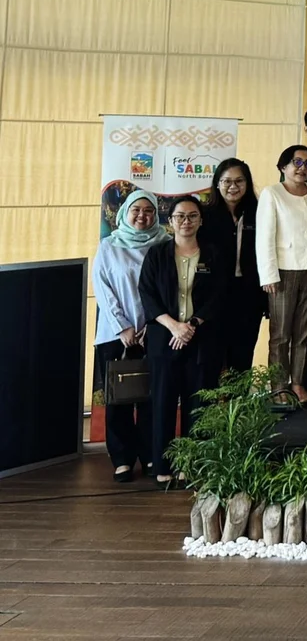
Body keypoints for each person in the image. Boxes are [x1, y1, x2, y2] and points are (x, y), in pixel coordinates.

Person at [139, 196, 227, 487]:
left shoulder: (213, 254)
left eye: (192, 216)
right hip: (164, 337)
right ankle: (161, 465)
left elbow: (219, 296)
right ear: (171, 221)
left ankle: (190, 464)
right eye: (180, 216)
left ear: (201, 221)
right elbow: (147, 295)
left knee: (197, 404)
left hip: (201, 339)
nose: (186, 221)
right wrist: (174, 326)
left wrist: (191, 325)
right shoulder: (157, 254)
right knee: (162, 402)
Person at [93, 189, 169, 482]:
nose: (142, 216)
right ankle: (122, 458)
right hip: (115, 334)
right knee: (119, 399)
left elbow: (167, 291)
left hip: (155, 332)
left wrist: (153, 324)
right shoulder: (109, 246)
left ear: (156, 215)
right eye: (136, 210)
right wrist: (122, 326)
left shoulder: (164, 244)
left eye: (148, 211)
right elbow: (103, 290)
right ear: (124, 212)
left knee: (152, 398)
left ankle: (151, 455)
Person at [257, 145, 307, 404]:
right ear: (283, 166)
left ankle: (298, 383)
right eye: (297, 162)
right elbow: (264, 237)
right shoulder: (271, 193)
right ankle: (278, 386)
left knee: (304, 332)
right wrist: (268, 275)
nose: (302, 168)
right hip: (282, 272)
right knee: (281, 334)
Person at [200, 159, 264, 374]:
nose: (233, 186)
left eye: (239, 181)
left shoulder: (260, 212)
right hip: (214, 295)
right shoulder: (205, 215)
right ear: (217, 183)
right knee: (213, 355)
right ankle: (211, 407)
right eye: (226, 181)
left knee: (243, 355)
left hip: (249, 293)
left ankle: (238, 406)